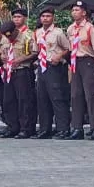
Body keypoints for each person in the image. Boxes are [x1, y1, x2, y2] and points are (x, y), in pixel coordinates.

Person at [65, 0, 94, 140]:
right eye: (73, 10)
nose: (74, 12)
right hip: (75, 62)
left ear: (84, 13)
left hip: (87, 61)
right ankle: (77, 128)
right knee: (75, 95)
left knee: (91, 95)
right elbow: (70, 47)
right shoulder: (71, 29)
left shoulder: (90, 28)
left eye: (77, 10)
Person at [34, 8, 72, 139]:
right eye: (43, 16)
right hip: (42, 66)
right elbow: (36, 50)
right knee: (42, 98)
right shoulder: (38, 33)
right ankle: (45, 129)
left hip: (55, 67)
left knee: (57, 98)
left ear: (53, 18)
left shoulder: (58, 32)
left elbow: (68, 48)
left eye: (48, 16)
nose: (45, 18)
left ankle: (63, 129)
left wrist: (59, 55)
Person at [1, 8, 37, 138]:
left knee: (24, 101)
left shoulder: (28, 36)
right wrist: (3, 58)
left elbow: (35, 53)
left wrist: (21, 59)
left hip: (22, 71)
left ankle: (25, 128)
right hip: (9, 72)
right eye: (14, 17)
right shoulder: (5, 38)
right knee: (9, 100)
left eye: (19, 17)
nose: (9, 38)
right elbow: (2, 51)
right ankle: (12, 127)